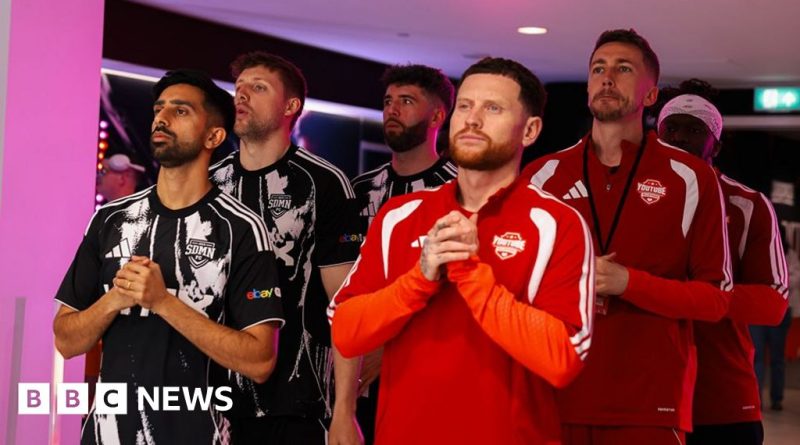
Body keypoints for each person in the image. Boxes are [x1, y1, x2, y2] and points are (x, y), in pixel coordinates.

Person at [330, 57, 595, 445]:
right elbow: (346, 332)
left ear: (530, 130)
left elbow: (564, 360)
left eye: (493, 108)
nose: (472, 119)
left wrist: (472, 276)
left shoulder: (557, 223)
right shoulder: (399, 215)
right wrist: (418, 281)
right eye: (466, 106)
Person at [522, 29, 732, 444]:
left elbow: (716, 300)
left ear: (650, 95)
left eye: (623, 69)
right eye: (598, 68)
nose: (607, 77)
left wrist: (628, 283)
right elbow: (514, 285)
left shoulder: (692, 178)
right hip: (551, 395)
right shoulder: (542, 175)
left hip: (648, 404)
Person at [53, 69, 284, 444]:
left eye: (181, 111)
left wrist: (162, 301)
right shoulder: (110, 219)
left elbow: (260, 361)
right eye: (159, 109)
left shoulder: (241, 228)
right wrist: (114, 299)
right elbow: (66, 340)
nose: (162, 118)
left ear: (213, 136)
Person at [209, 52, 364, 445]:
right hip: (211, 399)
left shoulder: (325, 183)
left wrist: (344, 410)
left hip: (296, 401)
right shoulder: (209, 182)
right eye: (239, 87)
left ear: (291, 106)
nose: (241, 95)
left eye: (258, 88)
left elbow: (346, 305)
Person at [656, 84, 789, 443]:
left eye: (694, 130)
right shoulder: (631, 195)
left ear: (716, 144)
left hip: (721, 397)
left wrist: (688, 296)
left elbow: (773, 303)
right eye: (671, 128)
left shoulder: (747, 204)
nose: (680, 138)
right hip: (643, 392)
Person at [349, 63, 457, 444]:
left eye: (406, 101)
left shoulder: (459, 190)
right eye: (387, 101)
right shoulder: (360, 189)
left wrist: (387, 348)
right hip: (355, 362)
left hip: (428, 363)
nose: (392, 109)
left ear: (438, 116)